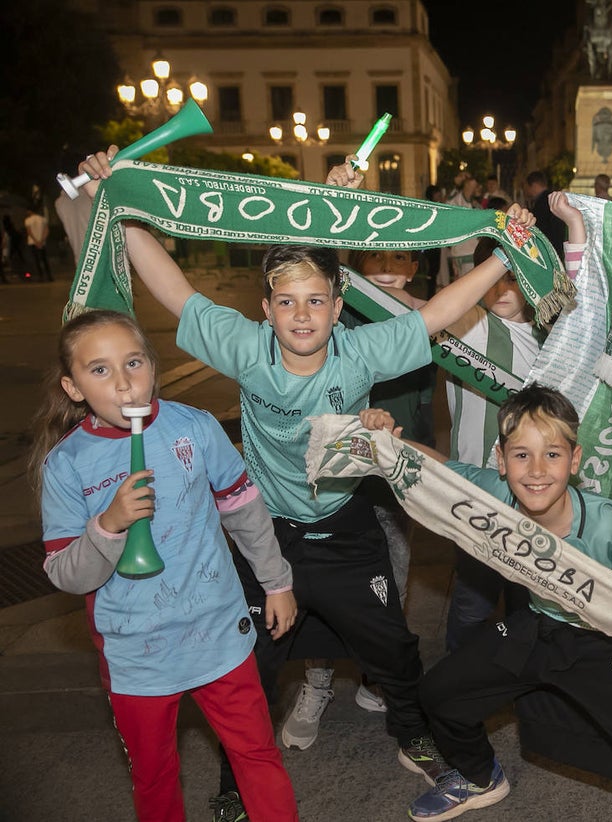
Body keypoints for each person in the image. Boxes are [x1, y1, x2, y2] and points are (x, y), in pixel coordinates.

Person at [77, 146, 540, 817]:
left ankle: (415, 736)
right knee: (250, 667)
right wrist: (122, 206)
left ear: (338, 302)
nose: (301, 315)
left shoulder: (361, 349)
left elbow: (438, 315)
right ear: (265, 308)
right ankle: (237, 786)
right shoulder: (246, 348)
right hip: (266, 538)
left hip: (347, 530)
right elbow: (175, 291)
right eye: (287, 301)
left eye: (316, 300)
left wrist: (503, 252)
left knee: (394, 650)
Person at [392, 384, 612, 821]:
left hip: (608, 638)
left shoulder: (602, 523)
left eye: (553, 455)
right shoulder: (495, 491)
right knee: (439, 693)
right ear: (501, 462)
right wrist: (385, 438)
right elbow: (440, 467)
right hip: (536, 623)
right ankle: (481, 776)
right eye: (522, 455)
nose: (537, 470)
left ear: (574, 461)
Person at [32, 309, 300, 822]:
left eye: (133, 362)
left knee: (257, 754)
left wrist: (276, 581)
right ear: (73, 387)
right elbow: (68, 575)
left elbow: (243, 510)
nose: (125, 383)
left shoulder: (194, 428)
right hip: (137, 653)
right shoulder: (66, 464)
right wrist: (108, 525)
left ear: (153, 366)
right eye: (100, 370)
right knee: (154, 775)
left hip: (218, 631)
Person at [279, 241, 438, 751]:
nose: (388, 268)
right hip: (330, 474)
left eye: (400, 260)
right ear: (354, 272)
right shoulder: (336, 325)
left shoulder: (424, 325)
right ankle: (318, 680)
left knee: (390, 574)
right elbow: (315, 282)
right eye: (377, 259)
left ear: (415, 268)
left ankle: (377, 674)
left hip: (392, 474)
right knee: (315, 584)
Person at [441, 190, 586, 651]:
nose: (503, 290)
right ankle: (457, 694)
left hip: (542, 493)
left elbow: (581, 302)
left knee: (534, 604)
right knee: (472, 602)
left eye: (515, 277)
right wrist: (504, 235)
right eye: (495, 278)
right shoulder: (469, 325)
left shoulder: (556, 335)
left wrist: (573, 228)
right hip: (479, 491)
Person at [523, 170, 566, 254]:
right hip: (558, 245)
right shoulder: (553, 198)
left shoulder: (542, 202)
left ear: (534, 185)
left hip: (547, 247)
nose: (526, 190)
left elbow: (539, 227)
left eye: (527, 186)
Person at [24, 207, 52, 281]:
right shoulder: (43, 219)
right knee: (44, 260)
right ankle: (49, 276)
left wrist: (36, 241)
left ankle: (41, 276)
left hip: (32, 242)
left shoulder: (28, 220)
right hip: (42, 242)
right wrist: (41, 240)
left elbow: (29, 232)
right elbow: (47, 231)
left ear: (30, 211)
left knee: (36, 260)